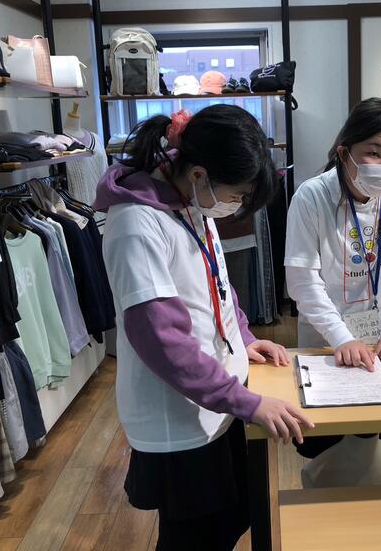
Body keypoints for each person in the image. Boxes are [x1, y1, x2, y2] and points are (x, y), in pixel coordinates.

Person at [94, 106, 313, 551]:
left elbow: (217, 286)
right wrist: (248, 403)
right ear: (198, 174)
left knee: (231, 516)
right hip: (179, 414)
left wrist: (244, 339)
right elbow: (163, 341)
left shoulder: (190, 202)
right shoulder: (137, 224)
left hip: (217, 396)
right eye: (237, 194)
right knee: (194, 537)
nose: (236, 205)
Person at [284, 97, 381, 468]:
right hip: (328, 344)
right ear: (344, 152)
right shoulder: (312, 195)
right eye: (374, 152)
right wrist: (342, 338)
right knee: (330, 452)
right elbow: (303, 281)